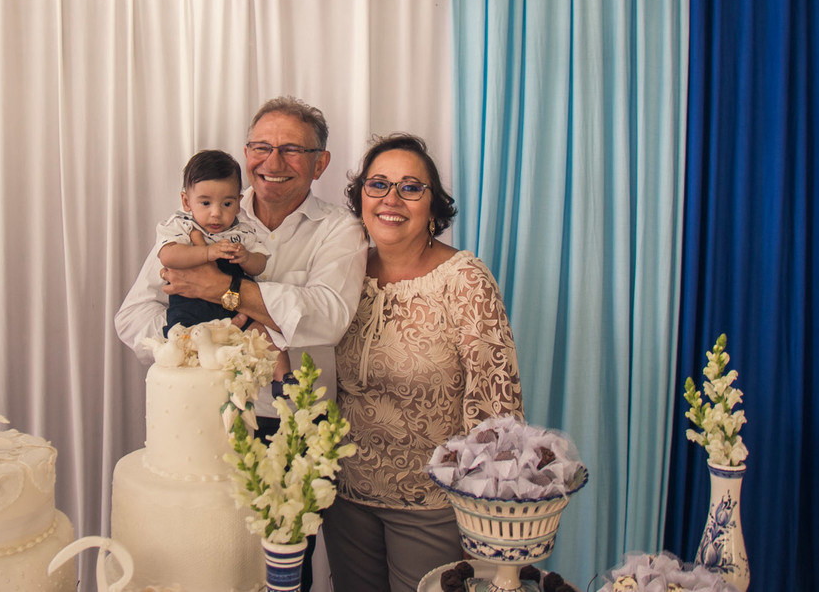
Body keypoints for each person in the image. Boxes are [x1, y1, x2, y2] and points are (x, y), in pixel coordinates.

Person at [115, 96, 368, 591]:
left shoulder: (339, 230)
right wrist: (199, 341)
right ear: (246, 153)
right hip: (201, 421)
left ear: (320, 163)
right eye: (261, 147)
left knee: (279, 572)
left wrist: (220, 290)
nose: (273, 162)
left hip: (290, 425)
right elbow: (133, 316)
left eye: (292, 149)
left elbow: (328, 317)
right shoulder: (194, 219)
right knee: (205, 566)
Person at [325, 133, 524, 592]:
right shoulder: (342, 271)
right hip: (345, 497)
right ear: (361, 198)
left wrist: (486, 524)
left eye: (411, 187)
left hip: (432, 505)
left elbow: (496, 408)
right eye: (378, 184)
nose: (391, 199)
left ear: (433, 207)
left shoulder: (465, 280)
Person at [157, 149, 270, 332]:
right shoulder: (182, 225)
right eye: (206, 203)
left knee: (261, 332)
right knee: (181, 337)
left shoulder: (241, 231)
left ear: (238, 203)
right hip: (189, 307)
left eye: (227, 204)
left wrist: (247, 258)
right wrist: (207, 252)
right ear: (186, 201)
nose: (216, 213)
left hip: (233, 306)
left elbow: (260, 264)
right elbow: (168, 256)